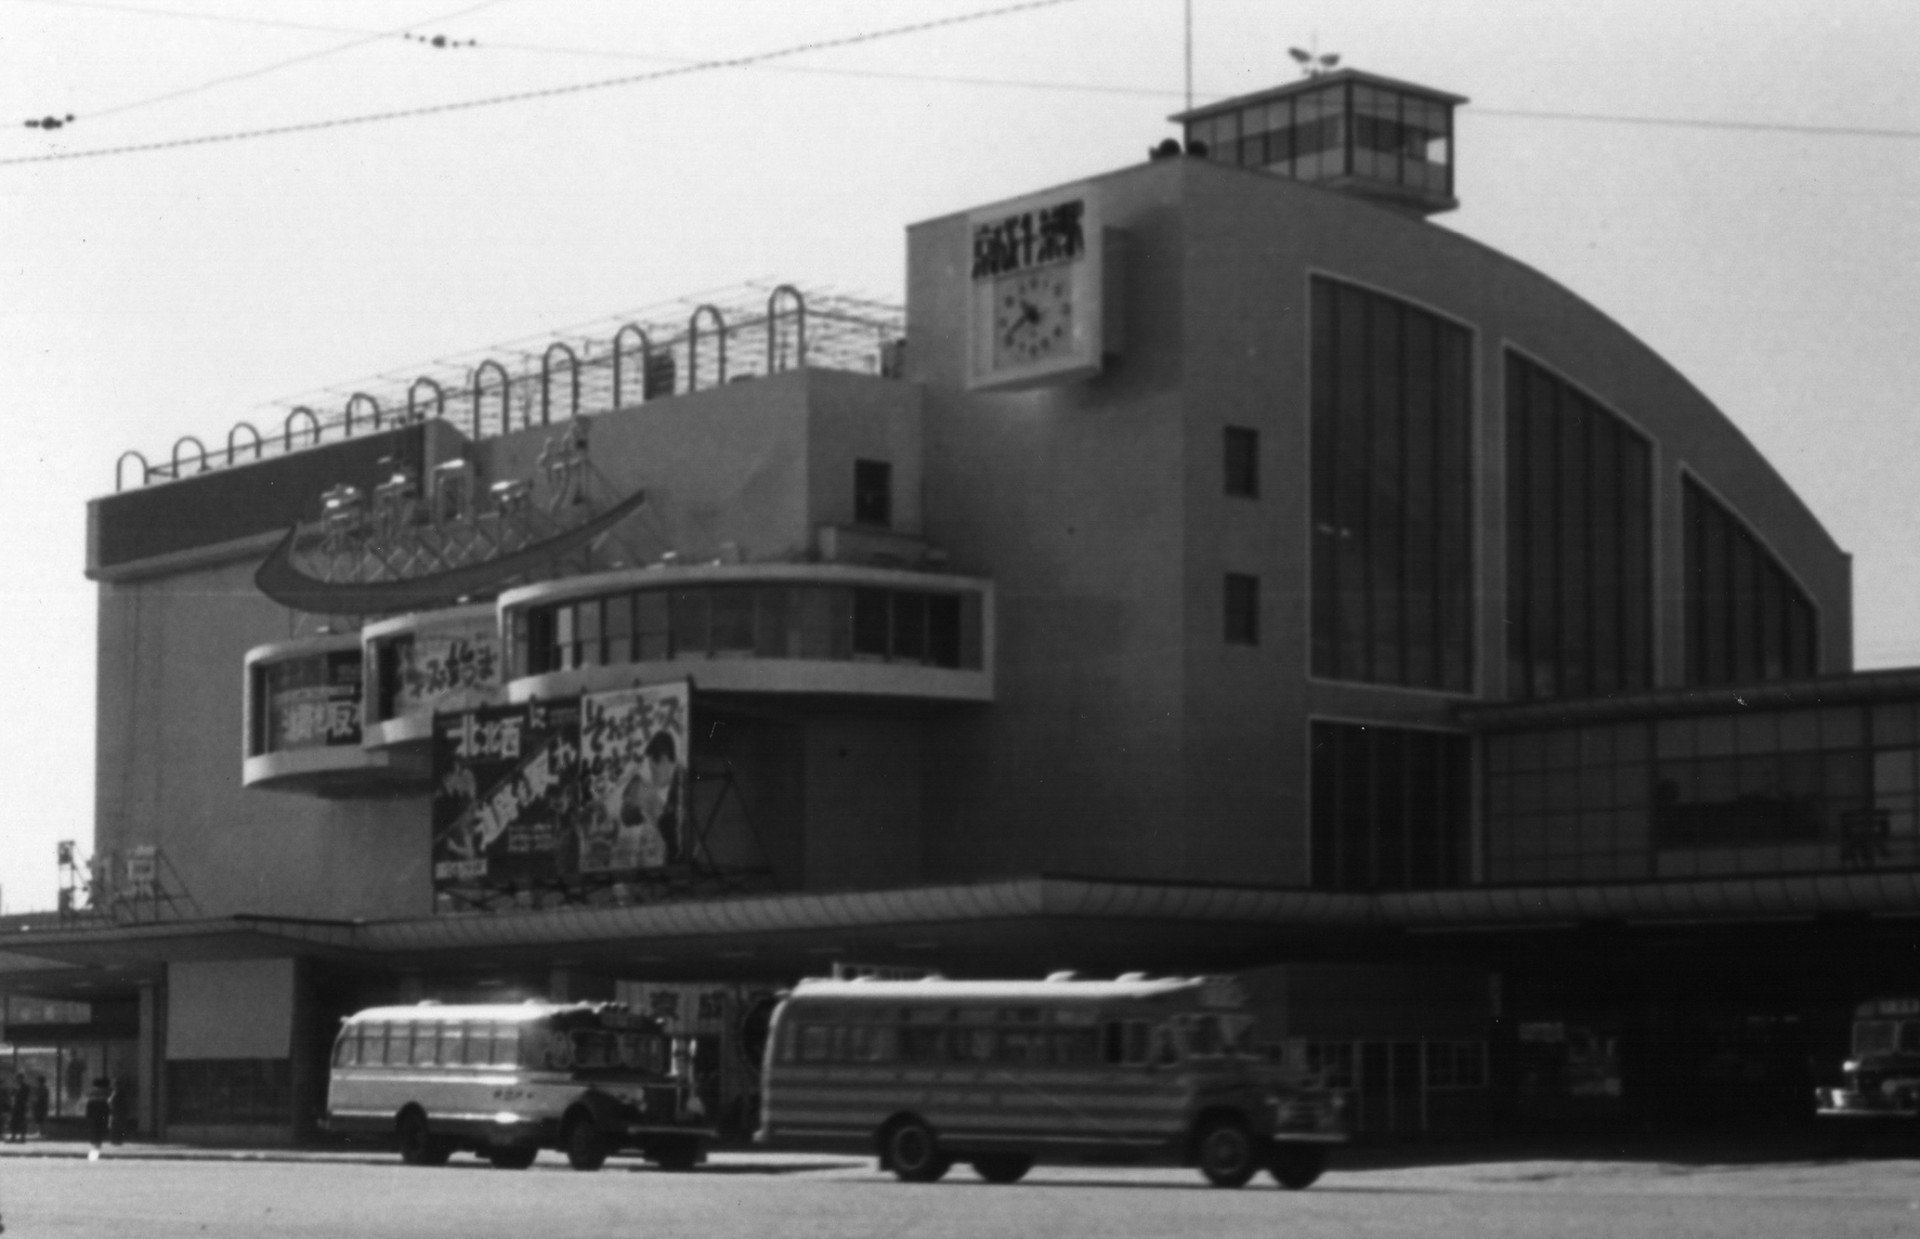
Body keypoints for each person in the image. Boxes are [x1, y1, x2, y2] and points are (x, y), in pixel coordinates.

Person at [83, 1077, 110, 1160]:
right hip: (102, 1113)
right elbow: (107, 1105)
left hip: (93, 1113)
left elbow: (88, 1105)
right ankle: (99, 1142)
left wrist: (87, 1115)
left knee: (93, 1128)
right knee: (101, 1128)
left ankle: (95, 1142)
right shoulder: (105, 1092)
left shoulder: (90, 1092)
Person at [7, 1074, 27, 1143]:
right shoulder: (15, 1087)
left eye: (20, 1079)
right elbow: (11, 1095)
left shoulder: (26, 1087)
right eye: (18, 1079)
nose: (18, 1080)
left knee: (22, 1122)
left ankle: (22, 1137)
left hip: (22, 1106)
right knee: (13, 1121)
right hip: (15, 1106)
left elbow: (26, 1096)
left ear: (22, 1079)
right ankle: (13, 1136)